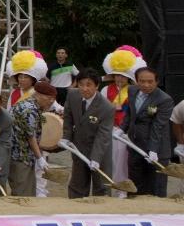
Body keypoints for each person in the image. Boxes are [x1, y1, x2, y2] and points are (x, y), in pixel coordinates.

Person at [122, 65, 173, 197]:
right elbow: (130, 113)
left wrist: (153, 150)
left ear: (157, 82)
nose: (146, 85)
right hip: (135, 145)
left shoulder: (164, 99)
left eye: (150, 82)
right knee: (135, 185)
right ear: (136, 81)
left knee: (156, 187)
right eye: (142, 81)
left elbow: (158, 126)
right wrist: (121, 129)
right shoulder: (132, 91)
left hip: (157, 150)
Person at [64, 70, 115, 198]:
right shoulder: (72, 95)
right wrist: (66, 137)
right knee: (77, 185)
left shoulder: (107, 107)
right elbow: (68, 117)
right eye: (81, 84)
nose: (84, 88)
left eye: (89, 84)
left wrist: (96, 158)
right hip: (79, 147)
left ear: (96, 86)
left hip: (100, 150)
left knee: (101, 187)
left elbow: (103, 135)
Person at [101, 45, 139, 195]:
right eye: (117, 75)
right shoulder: (105, 90)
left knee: (123, 160)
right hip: (109, 129)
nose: (119, 78)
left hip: (125, 130)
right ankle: (110, 186)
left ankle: (122, 190)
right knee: (110, 160)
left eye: (123, 75)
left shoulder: (133, 90)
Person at [7, 80, 44, 197]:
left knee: (28, 189)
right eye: (50, 99)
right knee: (23, 194)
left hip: (22, 155)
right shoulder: (29, 109)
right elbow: (30, 136)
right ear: (40, 96)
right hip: (20, 156)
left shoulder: (30, 103)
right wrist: (40, 157)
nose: (51, 102)